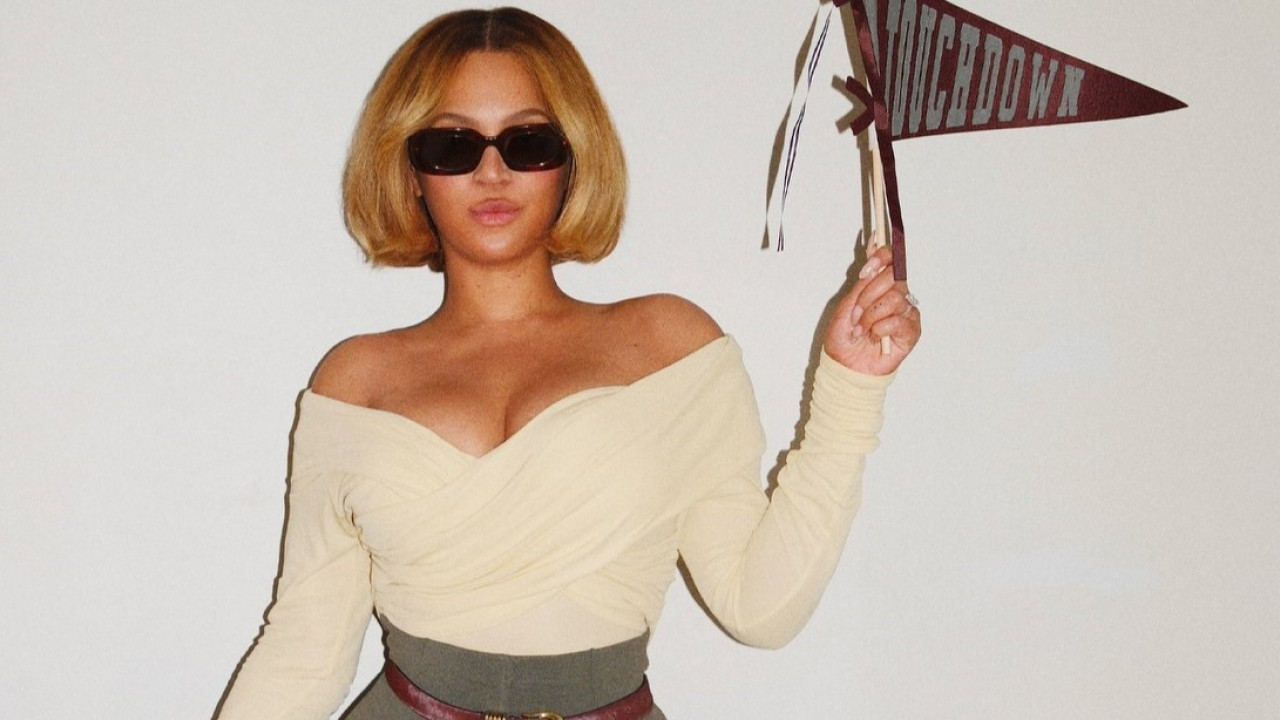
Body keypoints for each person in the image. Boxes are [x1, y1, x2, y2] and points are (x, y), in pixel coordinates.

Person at [217, 7, 920, 720]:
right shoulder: (355, 381)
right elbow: (301, 656)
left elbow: (760, 609)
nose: (492, 172)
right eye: (452, 146)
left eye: (528, 142)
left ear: (572, 158)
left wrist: (850, 388)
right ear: (411, 171)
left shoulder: (668, 347)